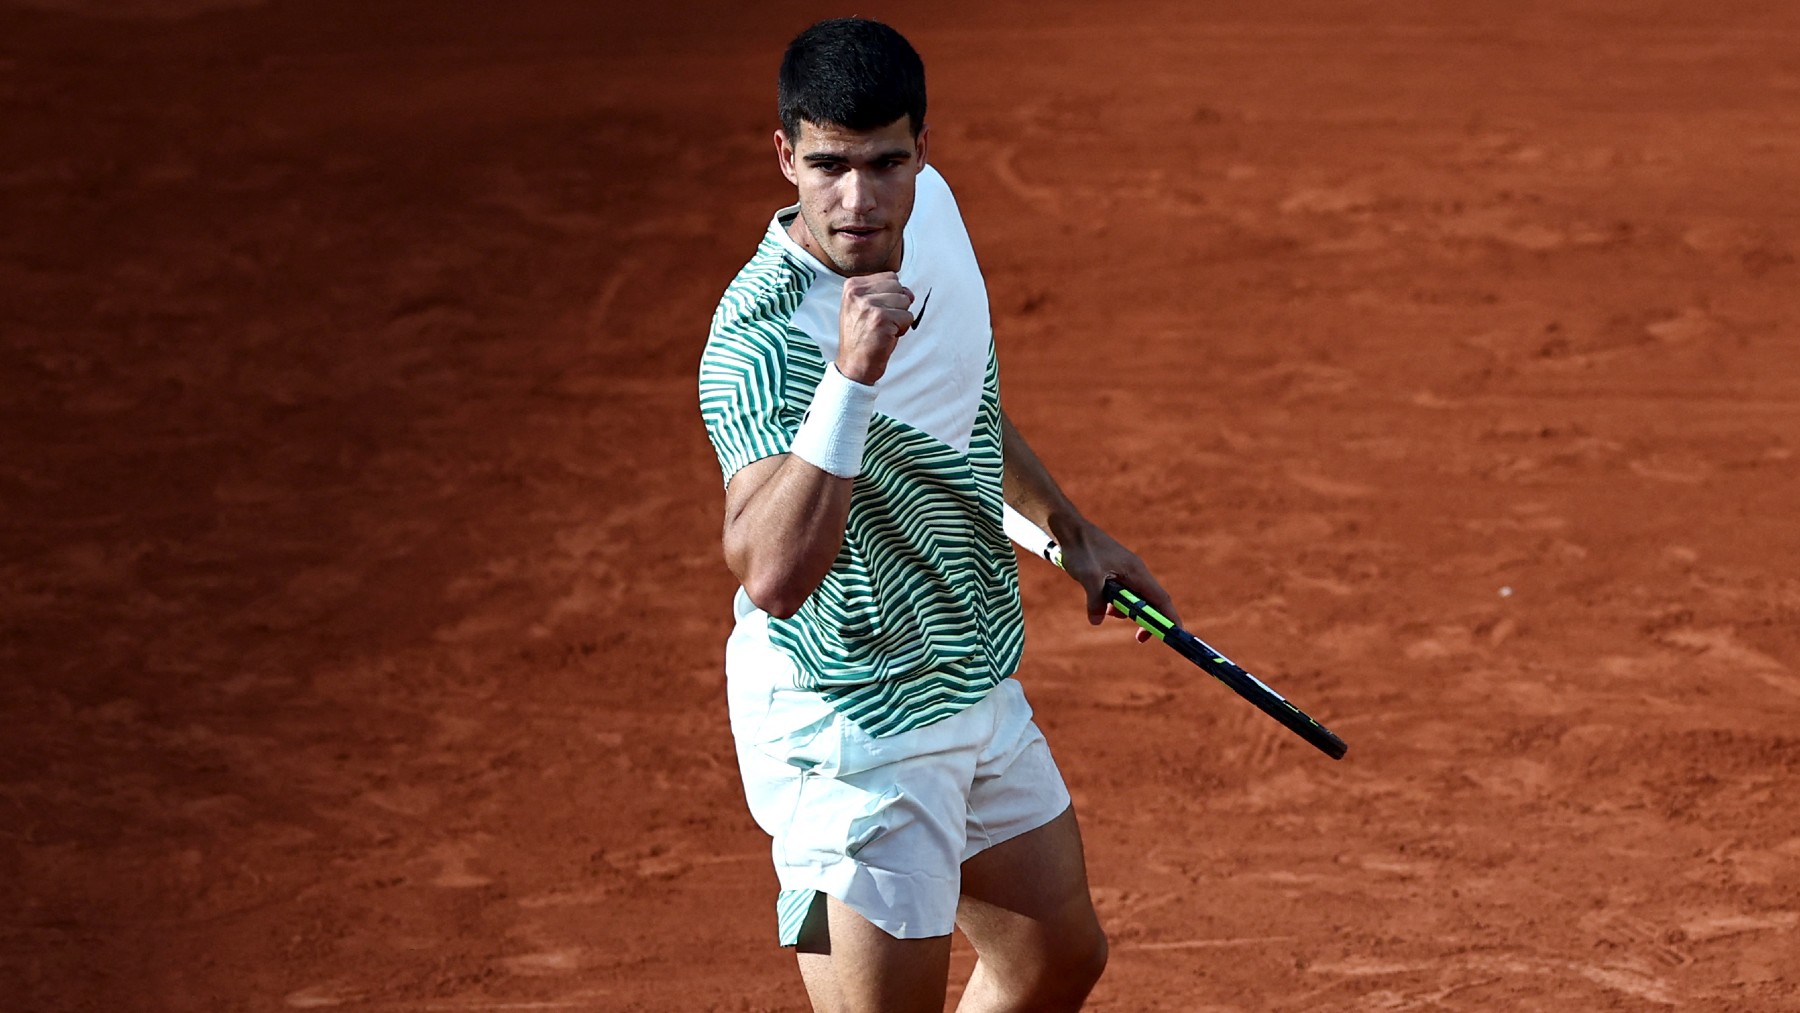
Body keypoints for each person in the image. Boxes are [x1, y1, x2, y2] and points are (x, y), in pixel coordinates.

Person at [698, 17, 1180, 1012]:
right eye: (829, 164)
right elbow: (772, 573)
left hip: (966, 671)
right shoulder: (757, 341)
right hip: (851, 728)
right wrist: (849, 375)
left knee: (1055, 958)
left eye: (887, 162)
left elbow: (961, 399)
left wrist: (1073, 532)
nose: (860, 199)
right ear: (785, 154)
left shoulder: (940, 218)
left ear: (925, 149)